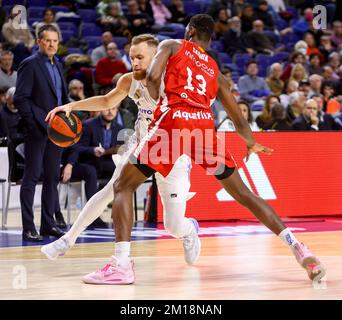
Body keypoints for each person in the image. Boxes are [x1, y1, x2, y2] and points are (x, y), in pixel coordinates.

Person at [73, 14, 325, 284]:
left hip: (174, 123)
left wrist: (160, 104)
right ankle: (297, 246)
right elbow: (235, 113)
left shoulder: (171, 45)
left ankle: (121, 265)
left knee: (123, 186)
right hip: (204, 127)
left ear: (190, 31)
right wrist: (250, 142)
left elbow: (154, 76)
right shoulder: (213, 68)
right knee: (244, 194)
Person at [42, 34, 200, 273]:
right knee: (112, 190)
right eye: (131, 57)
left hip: (172, 154)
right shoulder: (129, 81)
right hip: (141, 146)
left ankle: (189, 231)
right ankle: (67, 240)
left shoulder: (177, 82)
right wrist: (71, 106)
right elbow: (106, 101)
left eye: (139, 57)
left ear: (157, 57)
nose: (134, 62)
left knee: (173, 226)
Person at [13, 25, 68, 242]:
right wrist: (34, 123)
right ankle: (28, 227)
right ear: (39, 42)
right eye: (48, 40)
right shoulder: (30, 64)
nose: (52, 44)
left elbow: (60, 99)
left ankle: (48, 224)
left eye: (55, 40)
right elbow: (20, 98)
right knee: (31, 178)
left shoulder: (58, 65)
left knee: (52, 178)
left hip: (57, 132)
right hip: (37, 131)